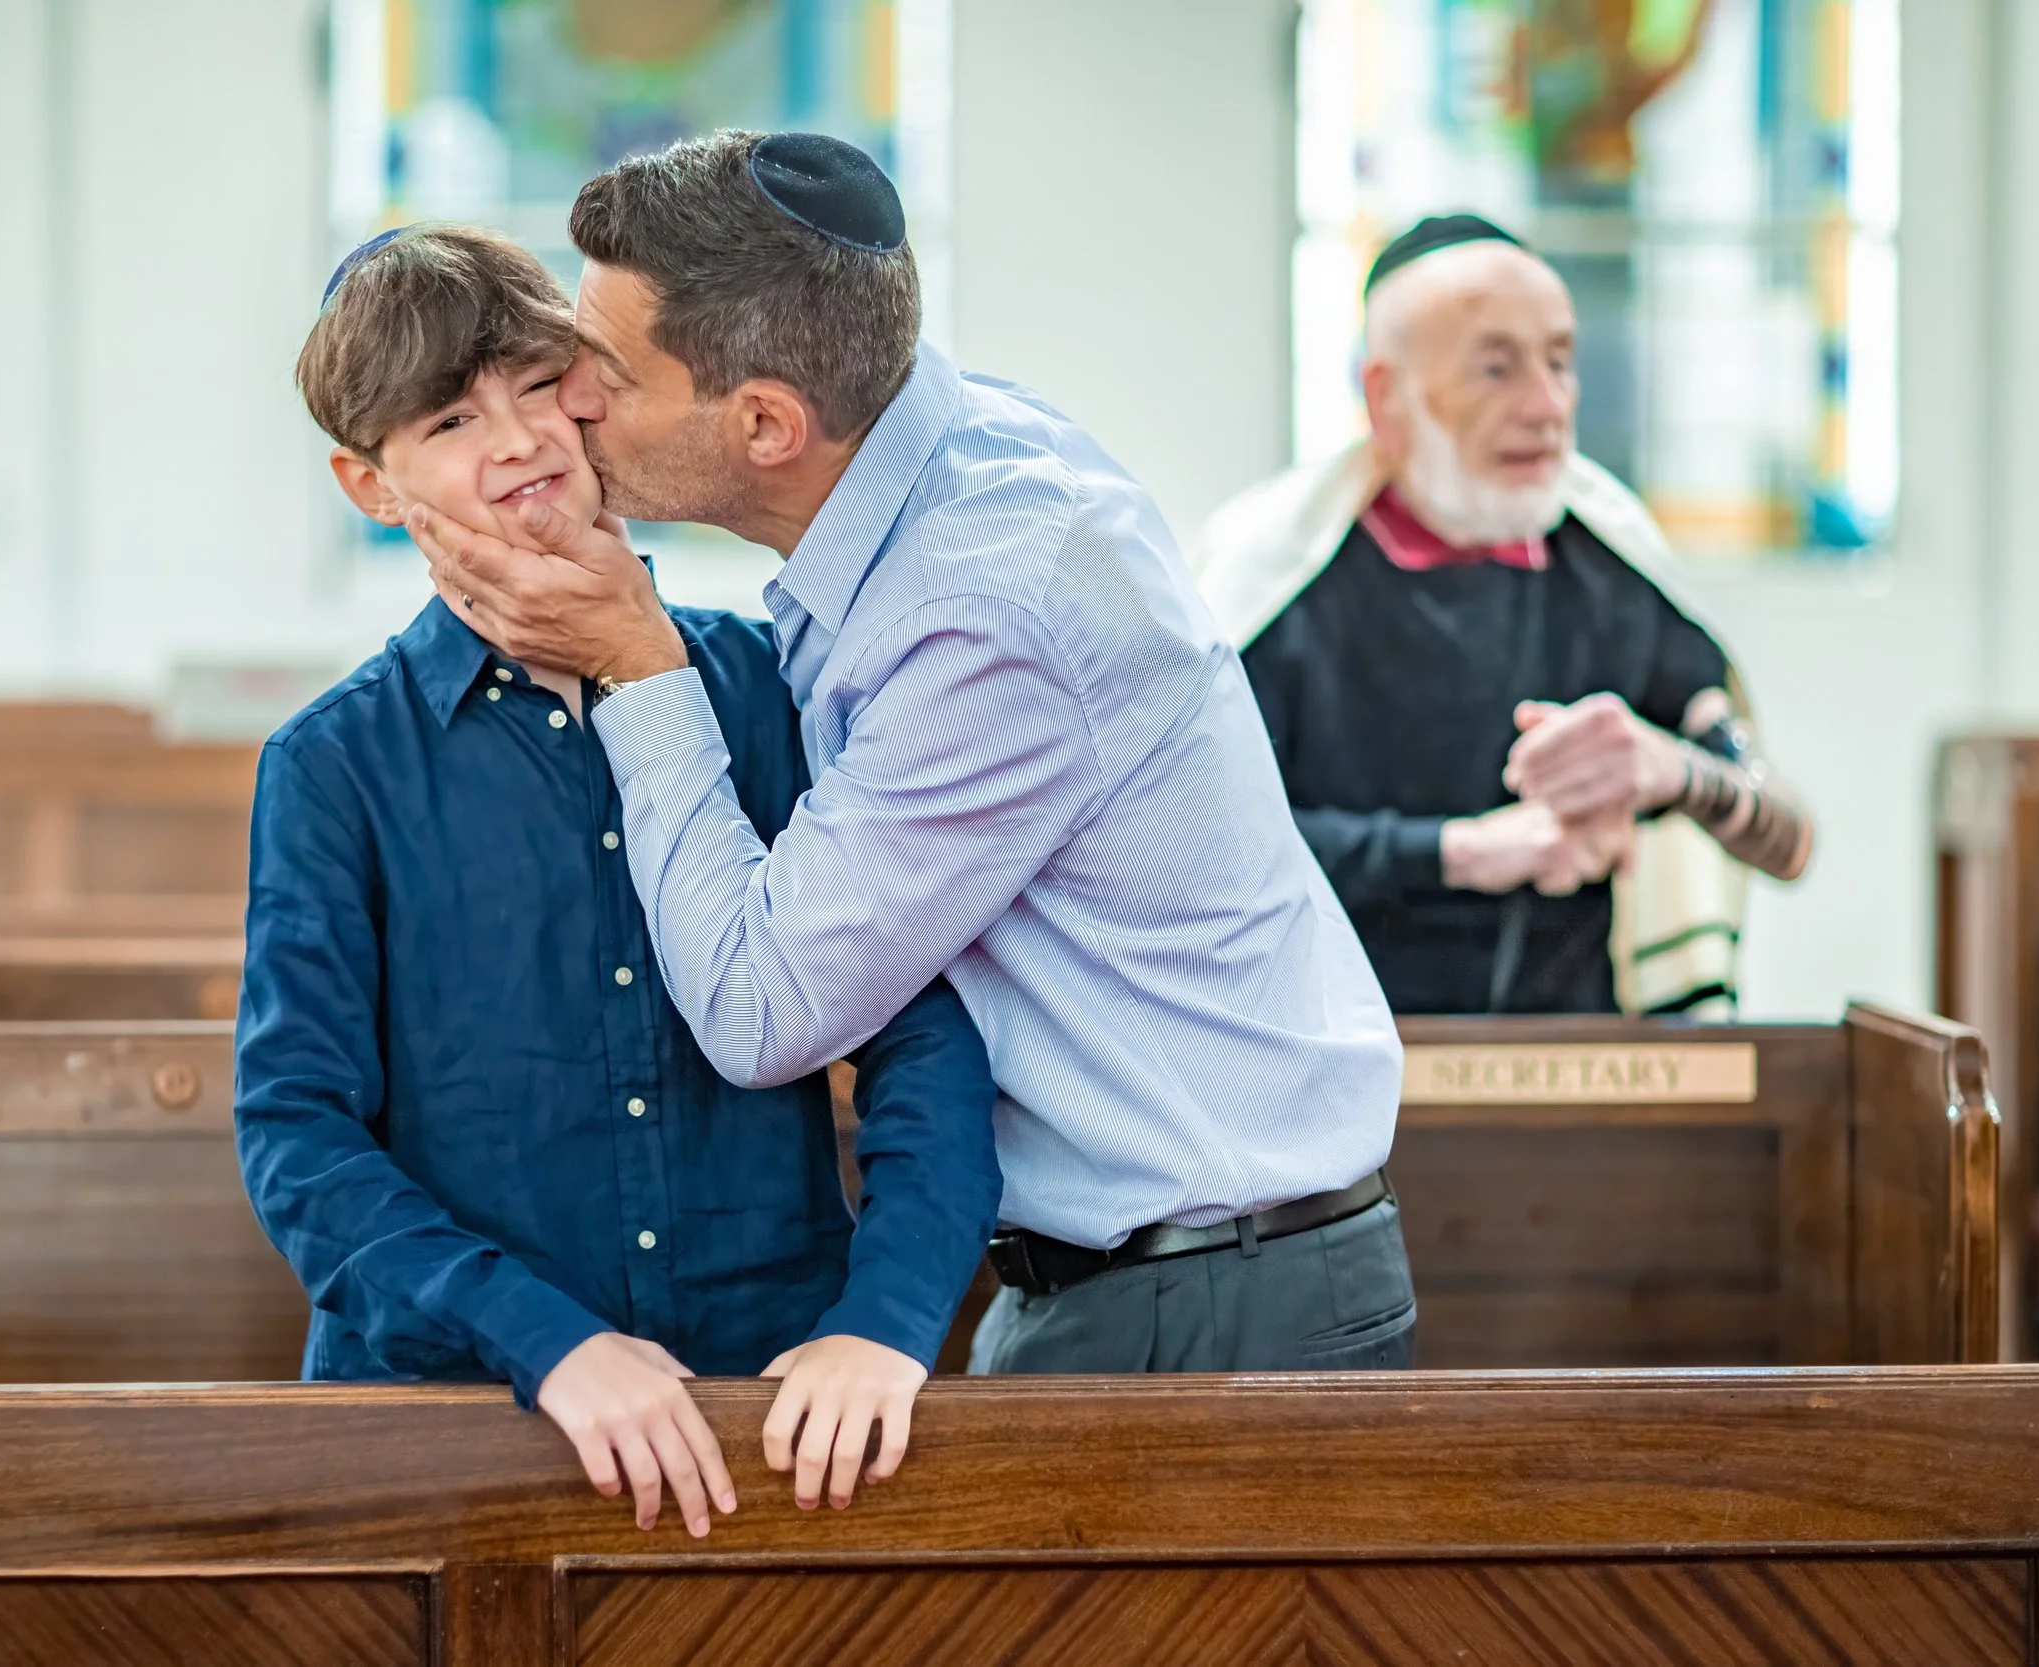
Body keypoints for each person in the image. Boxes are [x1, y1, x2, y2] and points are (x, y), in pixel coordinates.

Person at [406, 131, 1413, 1402]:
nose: (570, 401)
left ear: (767, 420)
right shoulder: (945, 454)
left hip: (1212, 1303)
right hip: (1143, 1271)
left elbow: (762, 1011)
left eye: (603, 368)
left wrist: (637, 665)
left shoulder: (987, 608)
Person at [234, 223, 1002, 1539]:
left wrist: (883, 1322)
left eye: (541, 386)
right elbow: (299, 1133)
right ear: (371, 483)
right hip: (461, 1424)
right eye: (451, 419)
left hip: (772, 1409)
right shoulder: (333, 763)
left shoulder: (766, 687)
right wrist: (546, 1338)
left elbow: (924, 1043)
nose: (522, 438)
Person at [1191, 214, 1814, 1016]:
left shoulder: (1611, 572)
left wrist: (1672, 770)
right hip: (1317, 1068)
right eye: (1497, 369)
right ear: (1387, 397)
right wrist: (1465, 852)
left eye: (1560, 361)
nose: (1548, 406)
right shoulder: (1272, 588)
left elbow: (1789, 841)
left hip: (1575, 1082)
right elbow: (1196, 851)